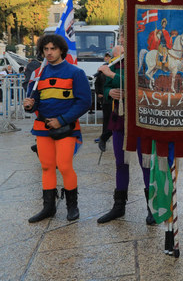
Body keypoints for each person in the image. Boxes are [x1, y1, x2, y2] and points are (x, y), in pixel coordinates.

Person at [23, 34, 91, 223]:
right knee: (46, 166)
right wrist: (29, 105)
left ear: (61, 50)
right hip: (42, 127)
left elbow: (85, 102)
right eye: (46, 49)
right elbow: (34, 102)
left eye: (53, 48)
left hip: (66, 127)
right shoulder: (38, 74)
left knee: (64, 165)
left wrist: (61, 120)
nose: (49, 52)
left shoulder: (75, 73)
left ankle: (72, 206)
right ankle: (48, 207)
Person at [96, 45, 155, 224]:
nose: (124, 40)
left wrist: (112, 75)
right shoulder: (116, 64)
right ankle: (119, 206)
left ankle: (152, 208)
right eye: (122, 36)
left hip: (142, 119)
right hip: (120, 118)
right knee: (121, 163)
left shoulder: (145, 61)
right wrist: (110, 92)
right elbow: (105, 88)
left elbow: (140, 83)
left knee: (146, 163)